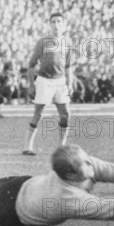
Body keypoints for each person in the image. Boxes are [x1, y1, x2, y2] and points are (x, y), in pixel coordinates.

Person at [23, 13, 74, 155]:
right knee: (38, 113)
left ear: (64, 25)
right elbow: (31, 65)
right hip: (44, 79)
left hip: (60, 81)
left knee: (65, 113)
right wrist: (31, 85)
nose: (56, 24)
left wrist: (69, 83)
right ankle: (28, 146)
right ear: (49, 24)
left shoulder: (68, 42)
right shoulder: (43, 42)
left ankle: (61, 147)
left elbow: (69, 66)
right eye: (53, 22)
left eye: (59, 22)